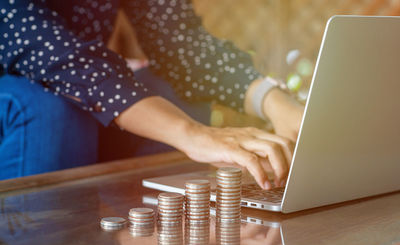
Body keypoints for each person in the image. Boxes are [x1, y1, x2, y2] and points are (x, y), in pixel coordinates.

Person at [0, 0, 303, 189]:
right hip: (34, 101)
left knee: (177, 90)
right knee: (48, 108)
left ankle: (151, 229)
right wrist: (192, 133)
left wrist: (275, 102)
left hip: (82, 94)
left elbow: (181, 43)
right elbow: (47, 51)